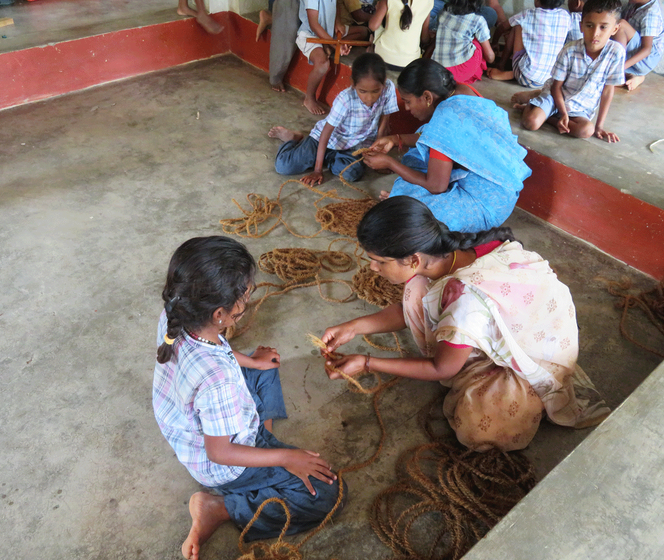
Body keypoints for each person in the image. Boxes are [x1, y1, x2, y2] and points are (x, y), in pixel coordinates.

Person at [320, 197, 611, 452]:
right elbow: (411, 308)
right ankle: (471, 349)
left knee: (481, 432)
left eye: (379, 261)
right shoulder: (457, 249)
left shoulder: (465, 302)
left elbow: (442, 369)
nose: (372, 268)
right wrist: (354, 327)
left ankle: (518, 387)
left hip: (534, 357)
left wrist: (367, 362)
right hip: (531, 327)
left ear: (412, 259)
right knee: (417, 288)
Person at [153, 237, 343, 560]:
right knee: (327, 494)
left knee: (266, 367)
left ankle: (261, 442)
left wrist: (252, 362)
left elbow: (217, 351)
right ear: (219, 314)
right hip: (219, 460)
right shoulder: (219, 380)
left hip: (192, 424)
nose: (248, 295)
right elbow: (220, 451)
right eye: (244, 294)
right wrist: (286, 458)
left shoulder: (176, 314)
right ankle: (221, 507)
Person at [363, 59, 530, 233]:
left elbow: (436, 187)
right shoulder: (461, 90)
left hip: (485, 205)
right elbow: (440, 138)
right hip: (503, 191)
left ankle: (405, 202)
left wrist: (390, 163)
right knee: (424, 139)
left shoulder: (444, 121)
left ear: (427, 97)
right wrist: (397, 139)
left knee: (412, 210)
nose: (406, 107)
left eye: (408, 101)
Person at [269, 53, 399, 185]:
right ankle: (294, 139)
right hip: (324, 139)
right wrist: (318, 170)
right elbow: (326, 132)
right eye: (363, 91)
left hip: (352, 145)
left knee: (352, 174)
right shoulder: (345, 99)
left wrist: (380, 154)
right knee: (283, 166)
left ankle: (324, 156)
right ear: (353, 84)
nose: (369, 98)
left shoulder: (388, 89)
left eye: (375, 91)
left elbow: (384, 119)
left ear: (384, 83)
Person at [515, 0, 625, 142]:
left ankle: (545, 114)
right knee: (531, 123)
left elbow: (608, 91)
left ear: (615, 29)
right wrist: (563, 113)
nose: (595, 33)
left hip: (580, 106)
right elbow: (556, 87)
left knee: (586, 130)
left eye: (603, 27)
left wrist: (599, 126)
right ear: (581, 26)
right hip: (556, 96)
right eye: (589, 25)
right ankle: (537, 106)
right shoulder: (569, 50)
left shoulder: (616, 53)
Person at [296, 0, 369, 114]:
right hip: (311, 35)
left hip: (329, 33)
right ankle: (309, 98)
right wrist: (335, 44)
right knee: (323, 64)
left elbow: (337, 5)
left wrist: (338, 22)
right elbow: (314, 25)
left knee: (363, 32)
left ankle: (332, 46)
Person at [487, 0, 571, 89]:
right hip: (548, 79)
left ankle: (502, 65)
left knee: (517, 25)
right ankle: (514, 74)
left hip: (525, 75)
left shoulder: (528, 14)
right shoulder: (565, 16)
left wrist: (495, 42)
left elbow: (503, 27)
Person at [430, 0, 495, 85]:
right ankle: (471, 73)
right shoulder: (478, 20)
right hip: (459, 73)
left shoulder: (443, 12)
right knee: (477, 43)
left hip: (438, 69)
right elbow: (490, 58)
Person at [612, 0, 664, 91]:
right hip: (634, 55)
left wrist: (619, 68)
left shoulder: (650, 13)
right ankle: (636, 76)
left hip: (647, 58)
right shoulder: (634, 5)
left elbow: (646, 50)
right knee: (610, 27)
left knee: (621, 25)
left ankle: (617, 71)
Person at [369, 0, 434, 70]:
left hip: (383, 57)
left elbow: (373, 26)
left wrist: (378, 9)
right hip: (410, 62)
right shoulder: (428, 2)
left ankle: (371, 50)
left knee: (375, 35)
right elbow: (424, 38)